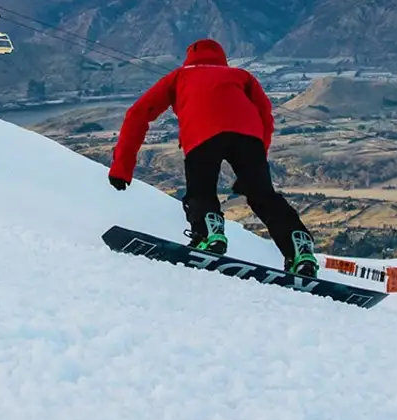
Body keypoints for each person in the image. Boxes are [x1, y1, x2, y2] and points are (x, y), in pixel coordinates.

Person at [107, 39, 320, 276]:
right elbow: (265, 116)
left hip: (202, 135)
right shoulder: (241, 76)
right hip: (249, 138)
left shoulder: (179, 76)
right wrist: (255, 164)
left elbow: (137, 114)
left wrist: (121, 167)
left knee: (201, 191)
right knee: (264, 196)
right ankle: (298, 247)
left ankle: (208, 234)